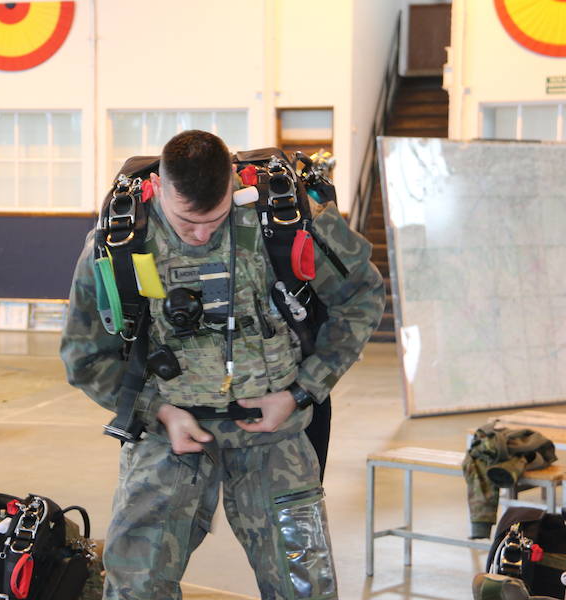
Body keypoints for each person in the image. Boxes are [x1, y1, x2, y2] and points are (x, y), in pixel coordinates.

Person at [61, 130, 384, 600]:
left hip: (273, 439)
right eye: (187, 222)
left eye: (214, 219)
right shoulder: (119, 241)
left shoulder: (285, 220)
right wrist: (158, 412)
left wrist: (300, 392)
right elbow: (82, 354)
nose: (202, 234)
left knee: (305, 590)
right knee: (134, 588)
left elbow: (362, 295)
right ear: (162, 191)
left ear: (233, 187)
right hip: (167, 438)